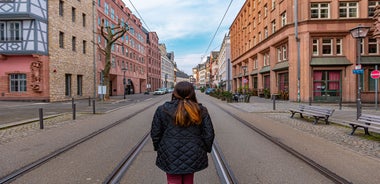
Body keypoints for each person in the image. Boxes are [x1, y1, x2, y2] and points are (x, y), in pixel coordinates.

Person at [151, 81, 215, 184]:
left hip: (169, 152)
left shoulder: (162, 109)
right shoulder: (200, 110)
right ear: (192, 93)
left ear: (174, 93)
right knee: (189, 181)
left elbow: (155, 133)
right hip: (193, 152)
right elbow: (209, 134)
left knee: (173, 181)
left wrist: (160, 147)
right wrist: (204, 149)